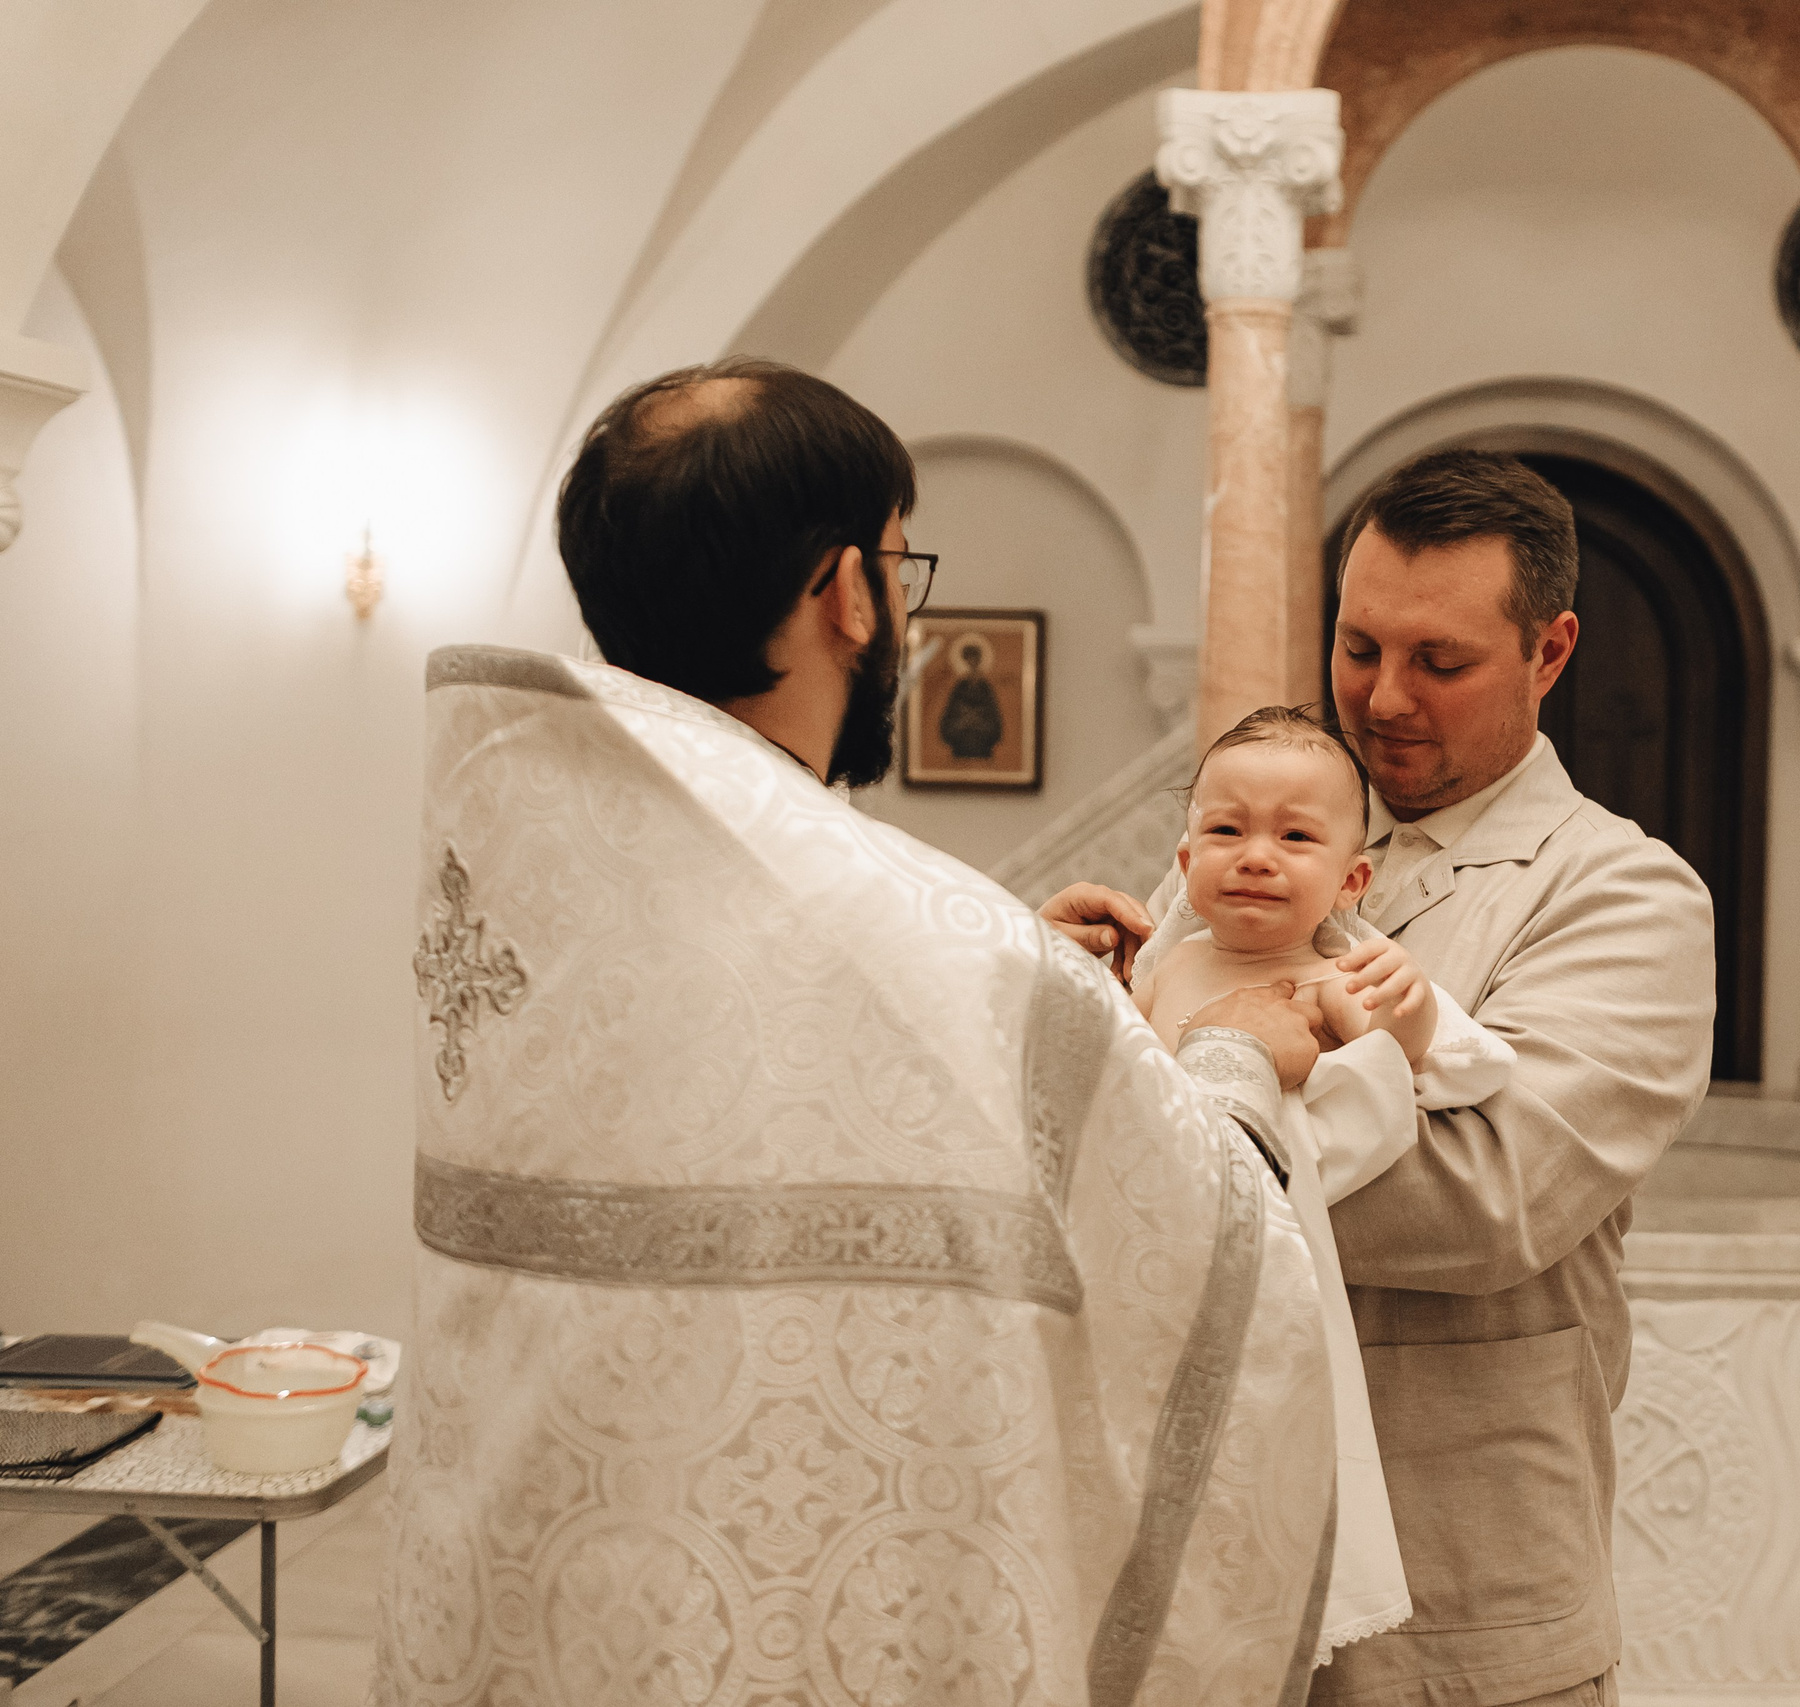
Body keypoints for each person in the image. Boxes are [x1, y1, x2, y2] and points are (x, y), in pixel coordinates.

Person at [372, 359, 1339, 1707]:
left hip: (542, 1620)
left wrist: (1023, 986)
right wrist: (1235, 1055)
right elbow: (1206, 1261)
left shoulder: (534, 876)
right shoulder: (944, 947)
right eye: (900, 565)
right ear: (846, 591)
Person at [1062, 449, 1719, 1707]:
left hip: (1457, 1597)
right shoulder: (1253, 842)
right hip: (1214, 1572)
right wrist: (1068, 998)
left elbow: (1488, 1198)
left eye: (1441, 661)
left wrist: (1169, 1119)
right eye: (1358, 648)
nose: (1383, 699)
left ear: (1552, 652)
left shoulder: (1623, 895)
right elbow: (1146, 1067)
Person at [1127, 704, 1517, 1670]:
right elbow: (1119, 1084)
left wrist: (1409, 1025)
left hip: (1275, 1266)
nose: (1256, 855)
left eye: (1294, 837)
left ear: (1351, 880)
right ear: (1184, 864)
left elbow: (1457, 1077)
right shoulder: (1165, 966)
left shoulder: (1340, 981)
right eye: (1226, 830)